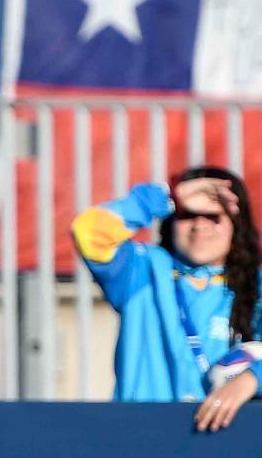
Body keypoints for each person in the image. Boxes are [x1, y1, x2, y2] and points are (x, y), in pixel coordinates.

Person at [71, 166, 262, 432]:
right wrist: (168, 196)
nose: (199, 225)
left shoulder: (255, 283)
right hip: (142, 437)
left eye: (212, 215)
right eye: (187, 214)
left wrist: (252, 379)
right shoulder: (141, 269)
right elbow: (88, 230)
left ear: (236, 225)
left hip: (229, 440)